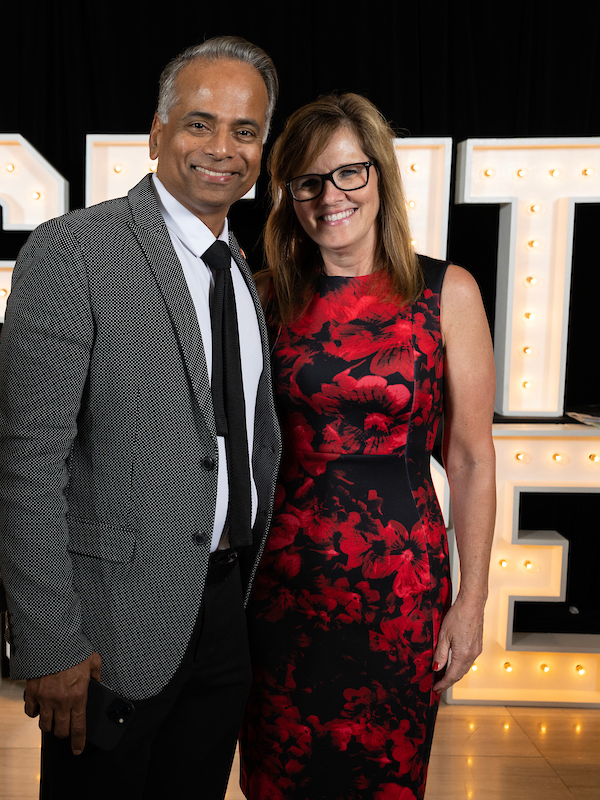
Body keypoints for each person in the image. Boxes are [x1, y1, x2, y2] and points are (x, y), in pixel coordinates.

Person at [0, 36, 282, 798]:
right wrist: (49, 640)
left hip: (223, 611)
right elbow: (24, 460)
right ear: (156, 134)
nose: (222, 148)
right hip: (109, 625)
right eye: (199, 123)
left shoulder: (240, 270)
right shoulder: (75, 252)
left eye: (245, 131)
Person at [239, 94, 496, 799]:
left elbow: (471, 459)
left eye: (349, 173)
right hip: (279, 590)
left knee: (386, 780)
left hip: (401, 593)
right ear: (289, 195)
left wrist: (472, 601)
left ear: (380, 174)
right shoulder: (260, 297)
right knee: (277, 780)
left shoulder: (447, 293)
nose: (331, 197)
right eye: (308, 181)